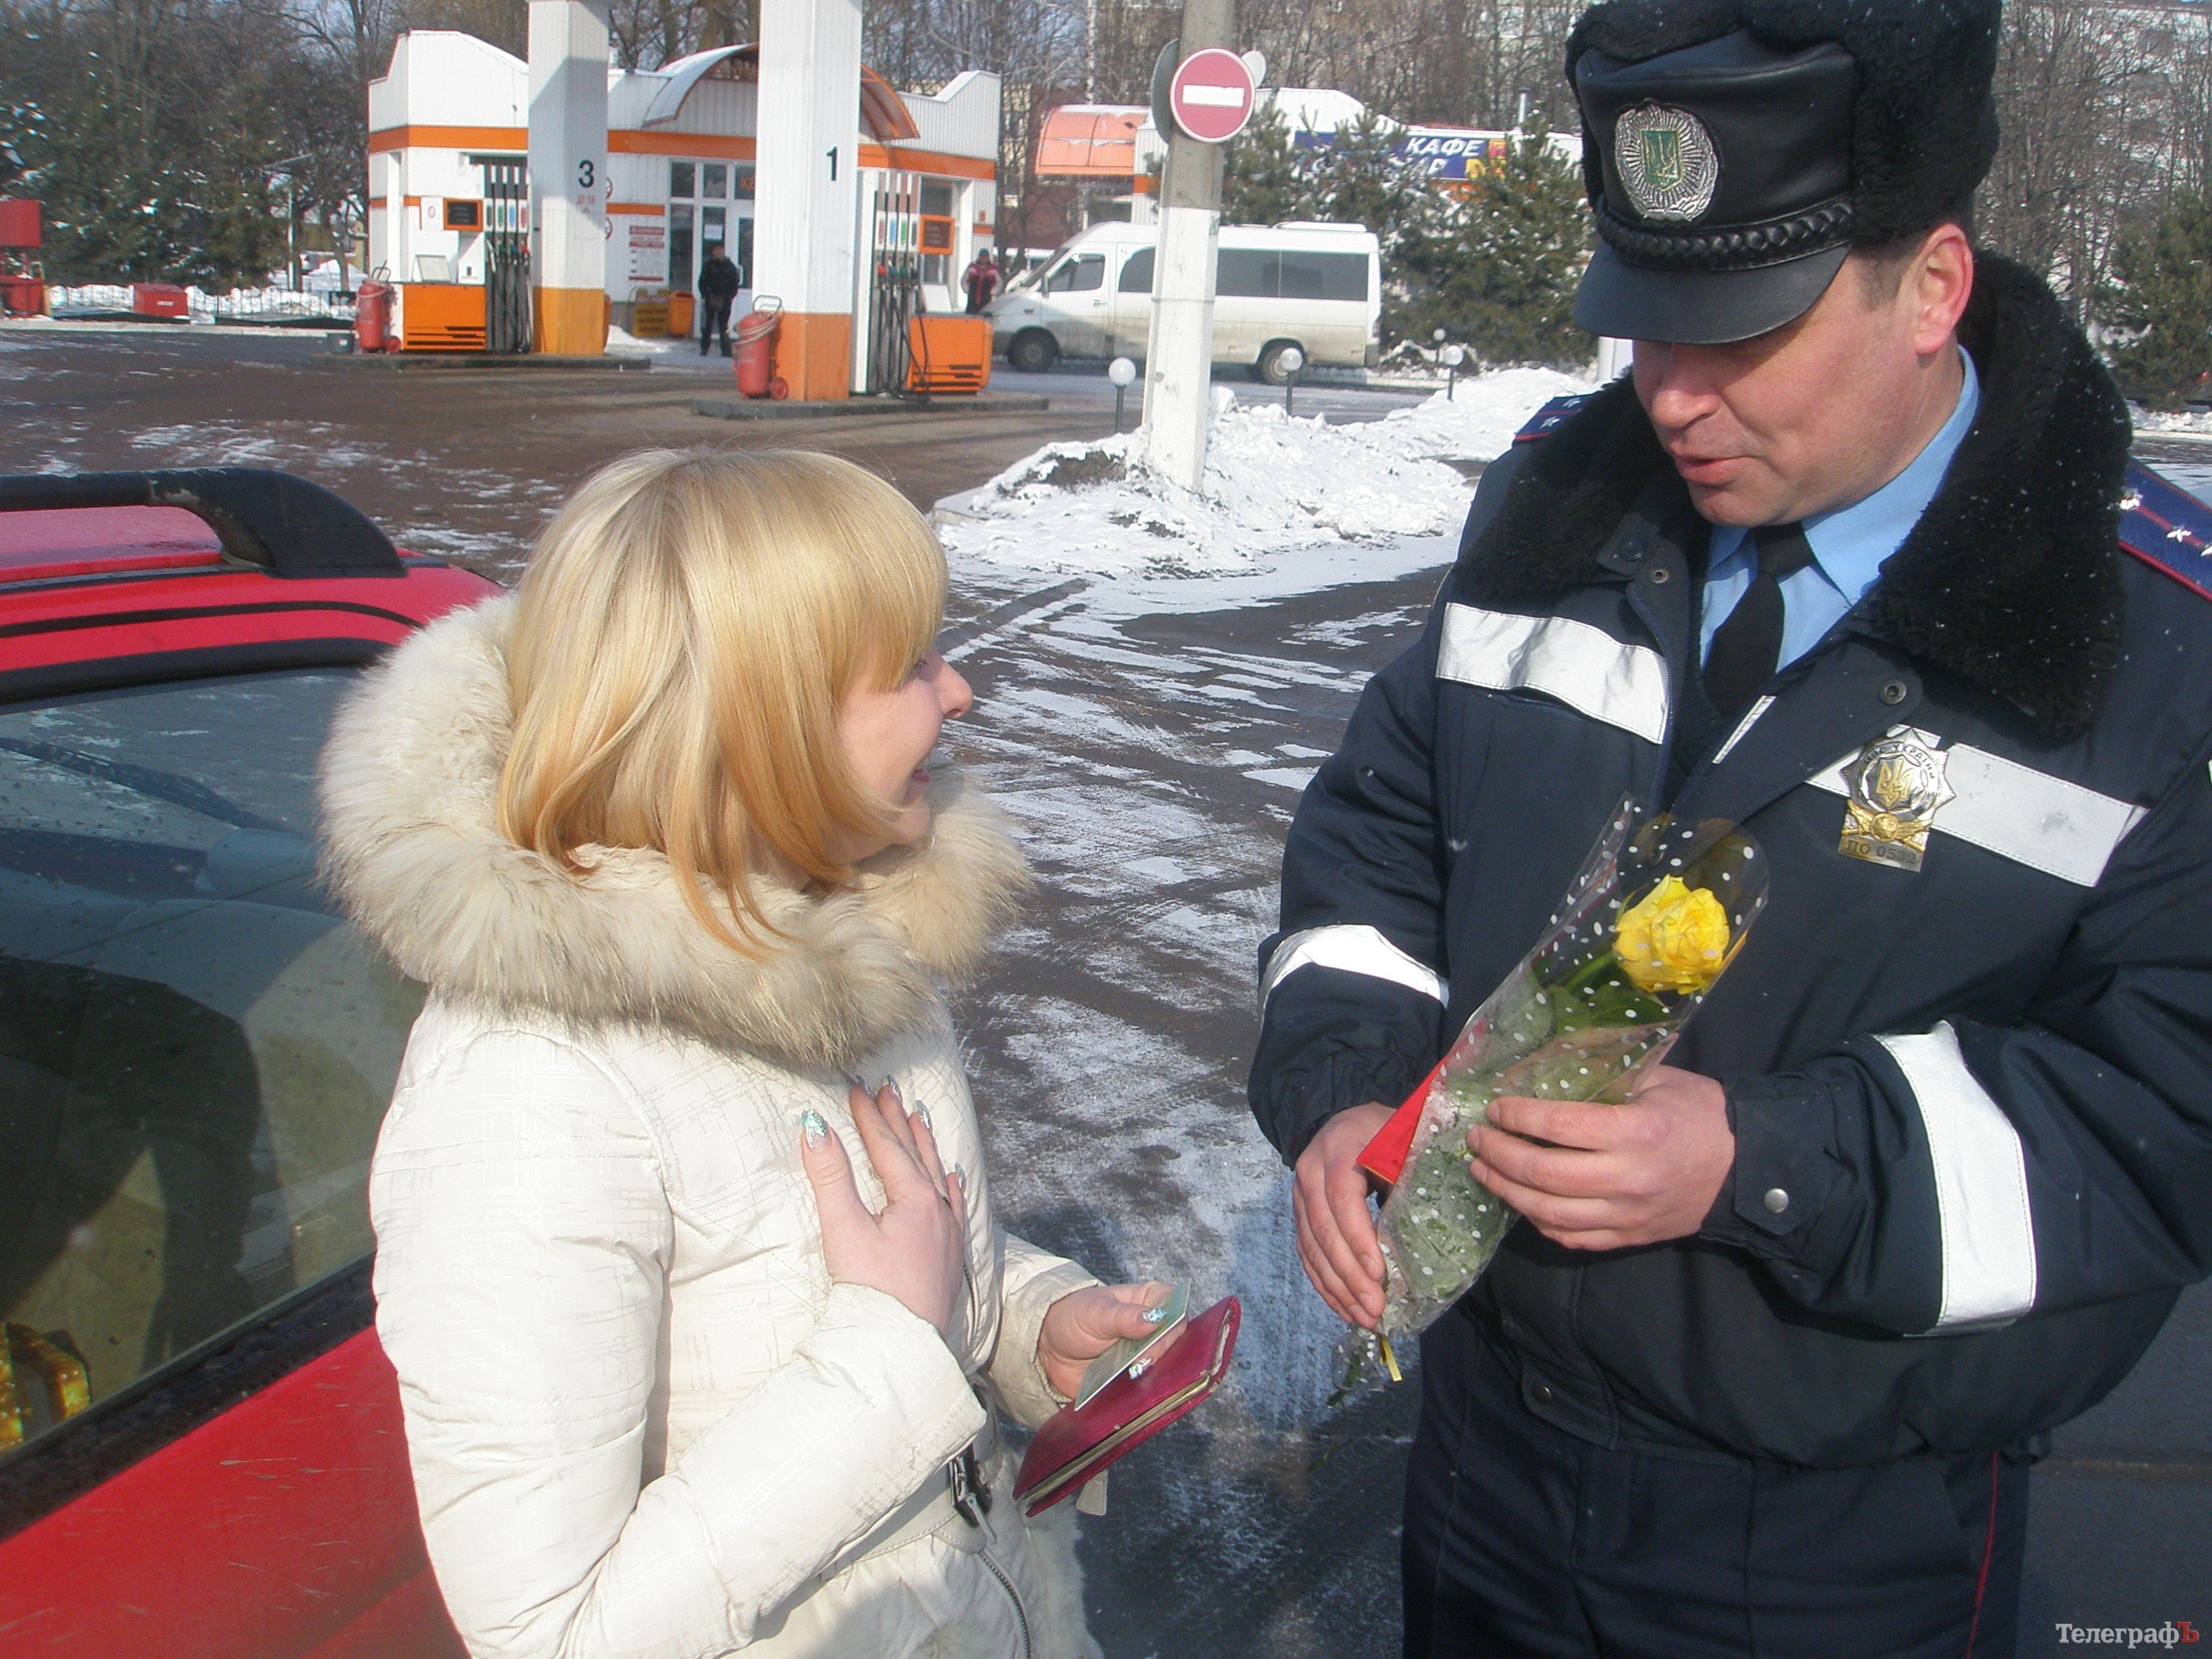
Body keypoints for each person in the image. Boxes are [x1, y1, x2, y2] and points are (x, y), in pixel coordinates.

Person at [1249, 2, 2212, 1655]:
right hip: (1485, 1466)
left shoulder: (2145, 649)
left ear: (1927, 286)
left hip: (1841, 1534)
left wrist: (1758, 1165)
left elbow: (2168, 1106)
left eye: (1739, 331)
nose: (1671, 396)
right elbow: (1379, 838)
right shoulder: (1561, 501)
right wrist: (1341, 1092)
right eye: (1641, 326)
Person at [321, 449, 1164, 1658]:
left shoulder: (842, 923)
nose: (962, 690)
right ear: (763, 714)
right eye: (914, 663)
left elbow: (831, 1260)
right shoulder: (528, 1087)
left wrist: (1027, 1322)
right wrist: (889, 1343)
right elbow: (553, 1632)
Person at [698, 240, 740, 355]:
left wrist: (731, 296)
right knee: (707, 325)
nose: (719, 252)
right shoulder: (709, 265)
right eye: (717, 250)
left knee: (723, 326)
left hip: (724, 298)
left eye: (721, 250)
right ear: (713, 252)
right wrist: (705, 295)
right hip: (711, 296)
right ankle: (704, 349)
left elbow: (734, 282)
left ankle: (725, 350)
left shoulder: (729, 266)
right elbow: (702, 281)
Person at [963, 249, 1002, 315]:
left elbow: (999, 283)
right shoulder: (972, 268)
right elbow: (964, 281)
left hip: (986, 298)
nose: (984, 258)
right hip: (973, 298)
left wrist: (992, 292)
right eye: (982, 256)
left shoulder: (993, 269)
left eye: (985, 257)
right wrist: (968, 290)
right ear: (979, 257)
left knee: (984, 315)